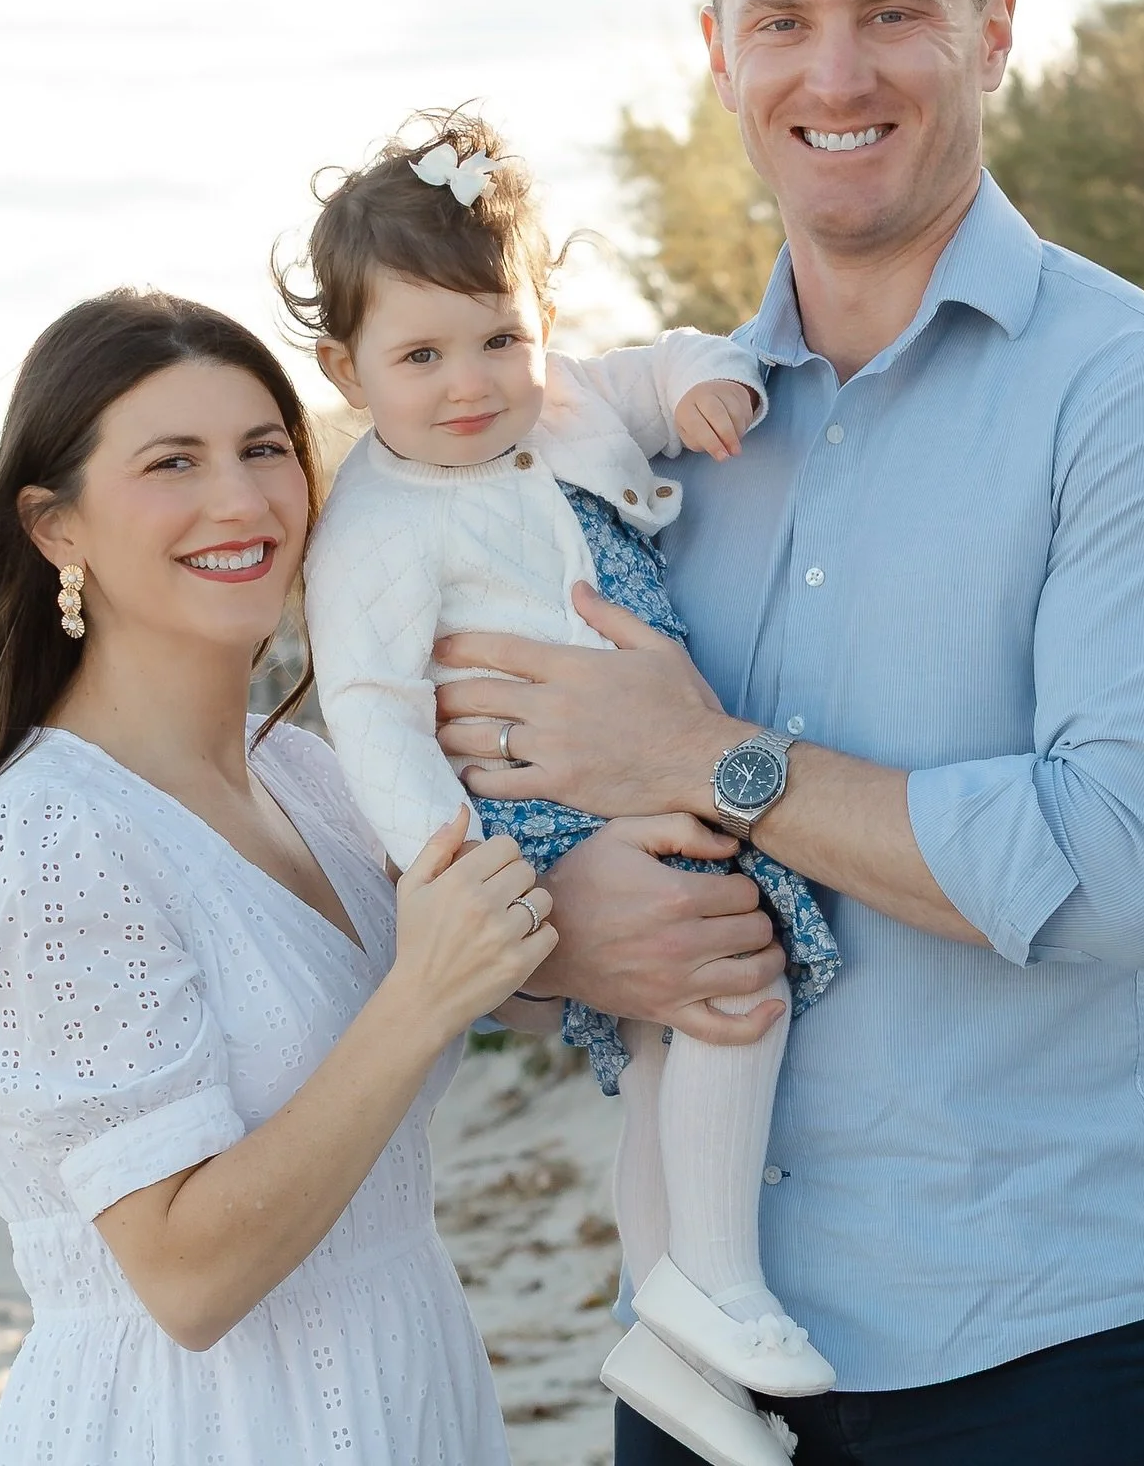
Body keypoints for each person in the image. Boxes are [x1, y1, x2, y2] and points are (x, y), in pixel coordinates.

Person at [431, 0, 1144, 1466]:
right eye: (783, 24)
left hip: (1043, 1351)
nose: (837, 74)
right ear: (718, 56)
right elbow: (525, 834)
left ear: (993, 32)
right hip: (694, 1360)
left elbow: (1114, 876)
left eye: (892, 14)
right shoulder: (656, 444)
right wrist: (570, 939)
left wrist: (709, 762)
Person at [0, 289, 559, 1466]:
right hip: (202, 1428)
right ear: (55, 529)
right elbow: (186, 1280)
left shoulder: (315, 780)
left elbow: (494, 974)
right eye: (171, 462)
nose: (239, 501)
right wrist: (423, 997)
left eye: (264, 449)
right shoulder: (48, 843)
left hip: (409, 1388)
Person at [279, 112, 838, 1459]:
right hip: (534, 816)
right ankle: (721, 1285)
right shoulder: (375, 525)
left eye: (500, 340)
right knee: (728, 989)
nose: (471, 384)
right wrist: (457, 861)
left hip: (637, 761)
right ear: (346, 367)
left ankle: (665, 1329)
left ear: (539, 323)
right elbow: (371, 714)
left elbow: (645, 380)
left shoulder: (561, 398)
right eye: (420, 356)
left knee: (666, 1038)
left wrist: (708, 378)